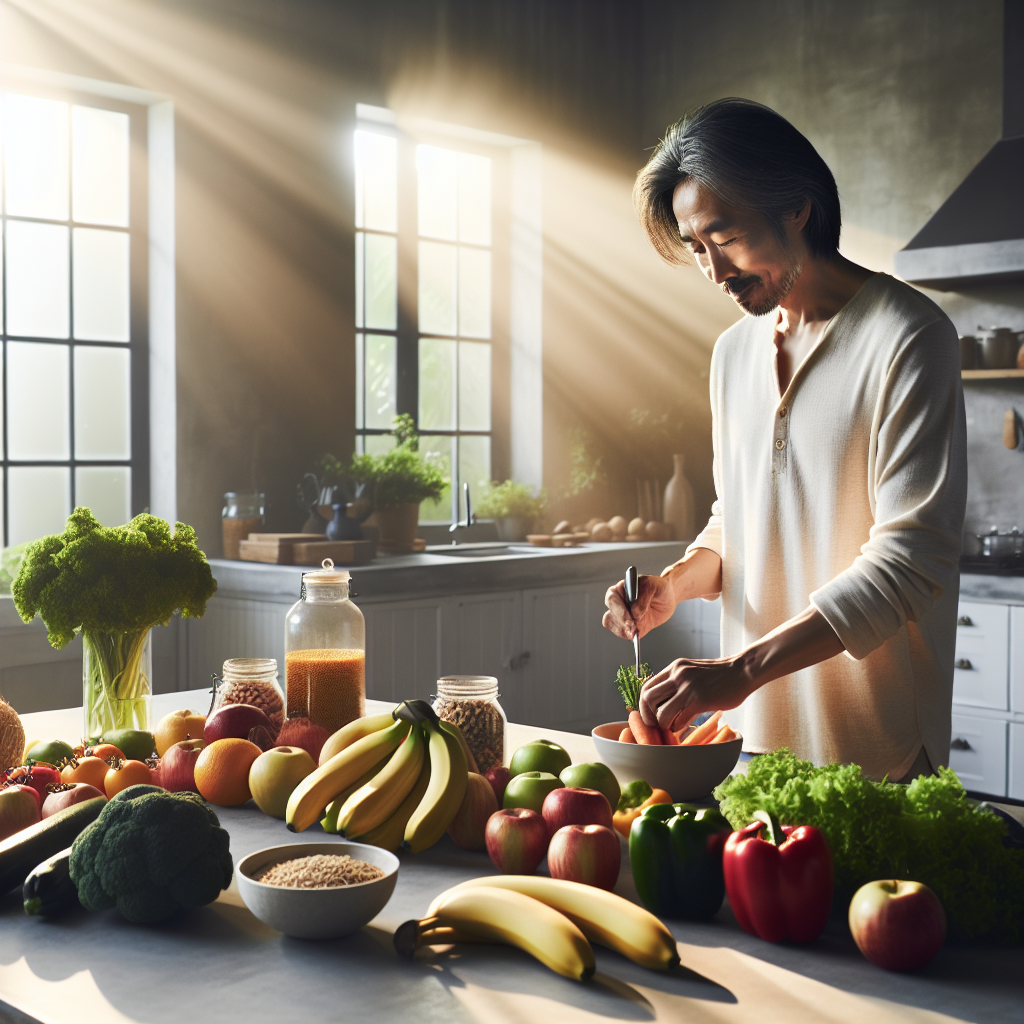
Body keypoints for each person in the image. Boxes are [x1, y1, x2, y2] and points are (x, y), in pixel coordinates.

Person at [603, 98, 966, 783]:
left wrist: (740, 670)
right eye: (696, 248)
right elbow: (734, 524)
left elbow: (909, 561)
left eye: (726, 236)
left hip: (876, 754)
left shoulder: (909, 338)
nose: (713, 271)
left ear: (796, 209)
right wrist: (673, 587)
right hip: (747, 750)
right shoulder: (732, 354)